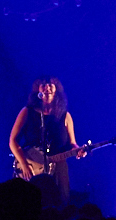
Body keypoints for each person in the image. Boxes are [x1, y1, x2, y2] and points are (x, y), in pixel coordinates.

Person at [9, 76, 83, 206]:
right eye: (43, 84)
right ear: (38, 90)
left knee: (60, 201)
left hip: (58, 166)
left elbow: (72, 143)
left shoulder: (65, 116)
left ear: (56, 90)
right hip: (32, 165)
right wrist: (24, 165)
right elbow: (13, 141)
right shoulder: (27, 112)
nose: (47, 87)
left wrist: (78, 150)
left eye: (50, 84)